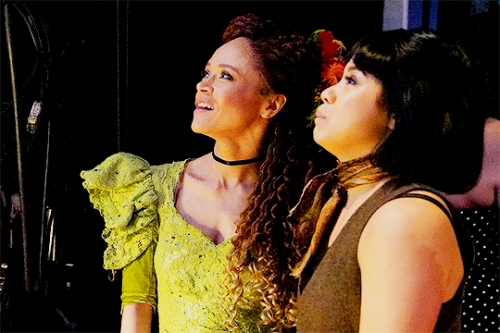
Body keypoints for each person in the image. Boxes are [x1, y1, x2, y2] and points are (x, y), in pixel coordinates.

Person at [81, 14, 338, 333]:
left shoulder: (300, 201)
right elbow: (136, 311)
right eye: (207, 72)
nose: (204, 85)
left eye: (225, 76)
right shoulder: (149, 188)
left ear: (271, 105)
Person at [289, 30, 483, 332]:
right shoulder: (344, 199)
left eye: (351, 80)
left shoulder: (405, 219)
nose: (328, 93)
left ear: (399, 110)